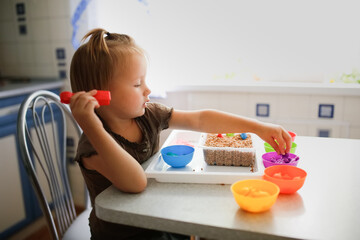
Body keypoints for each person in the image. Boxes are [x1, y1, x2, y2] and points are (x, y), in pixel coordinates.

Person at [69, 28, 292, 240]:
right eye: (137, 84)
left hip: (157, 217)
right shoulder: (92, 144)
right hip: (126, 234)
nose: (148, 89)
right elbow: (136, 182)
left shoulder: (147, 114)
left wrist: (257, 127)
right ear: (99, 97)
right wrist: (91, 125)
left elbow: (200, 119)